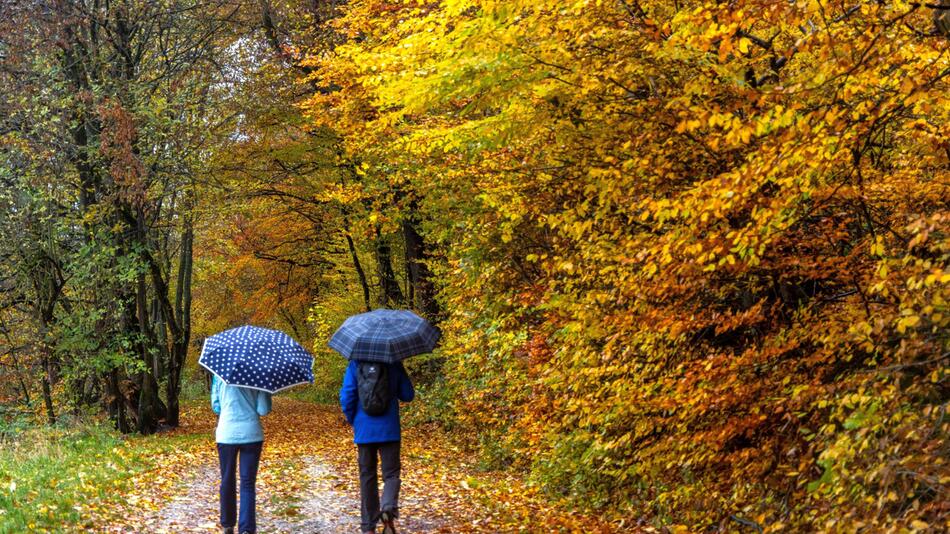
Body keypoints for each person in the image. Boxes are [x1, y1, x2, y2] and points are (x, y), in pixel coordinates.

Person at [340, 360, 415, 534]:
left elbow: (347, 395)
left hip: (364, 429)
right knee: (391, 474)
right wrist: (400, 370)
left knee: (367, 475)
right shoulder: (394, 363)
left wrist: (353, 419)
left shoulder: (355, 364)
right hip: (389, 429)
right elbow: (408, 395)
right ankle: (388, 507)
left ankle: (368, 527)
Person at [211, 373, 272, 534]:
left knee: (227, 479)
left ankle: (228, 524)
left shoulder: (219, 375)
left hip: (226, 433)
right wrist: (264, 392)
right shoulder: (259, 375)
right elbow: (264, 409)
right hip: (251, 434)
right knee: (247, 483)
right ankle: (246, 529)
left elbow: (215, 406)